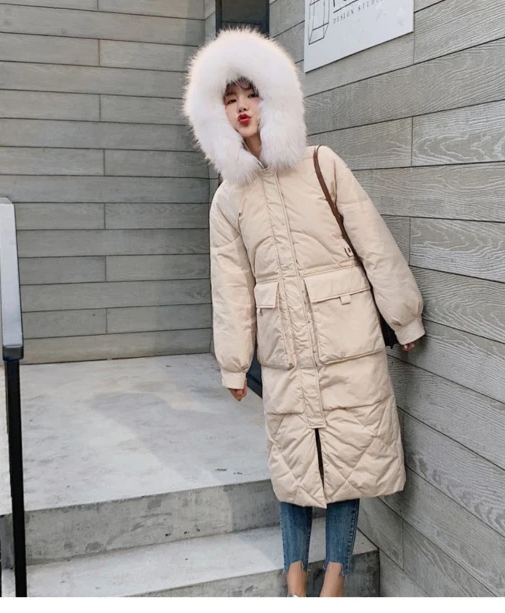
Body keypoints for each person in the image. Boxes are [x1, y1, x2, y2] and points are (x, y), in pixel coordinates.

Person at [183, 28, 426, 597]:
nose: (243, 107)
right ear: (216, 114)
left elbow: (372, 241)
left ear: (275, 96)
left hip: (347, 338)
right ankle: (295, 580)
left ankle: (334, 580)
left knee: (348, 458)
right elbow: (231, 287)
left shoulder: (322, 165)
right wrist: (234, 363)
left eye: (252, 93)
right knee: (293, 462)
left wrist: (403, 315)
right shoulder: (227, 199)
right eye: (230, 98)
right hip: (284, 348)